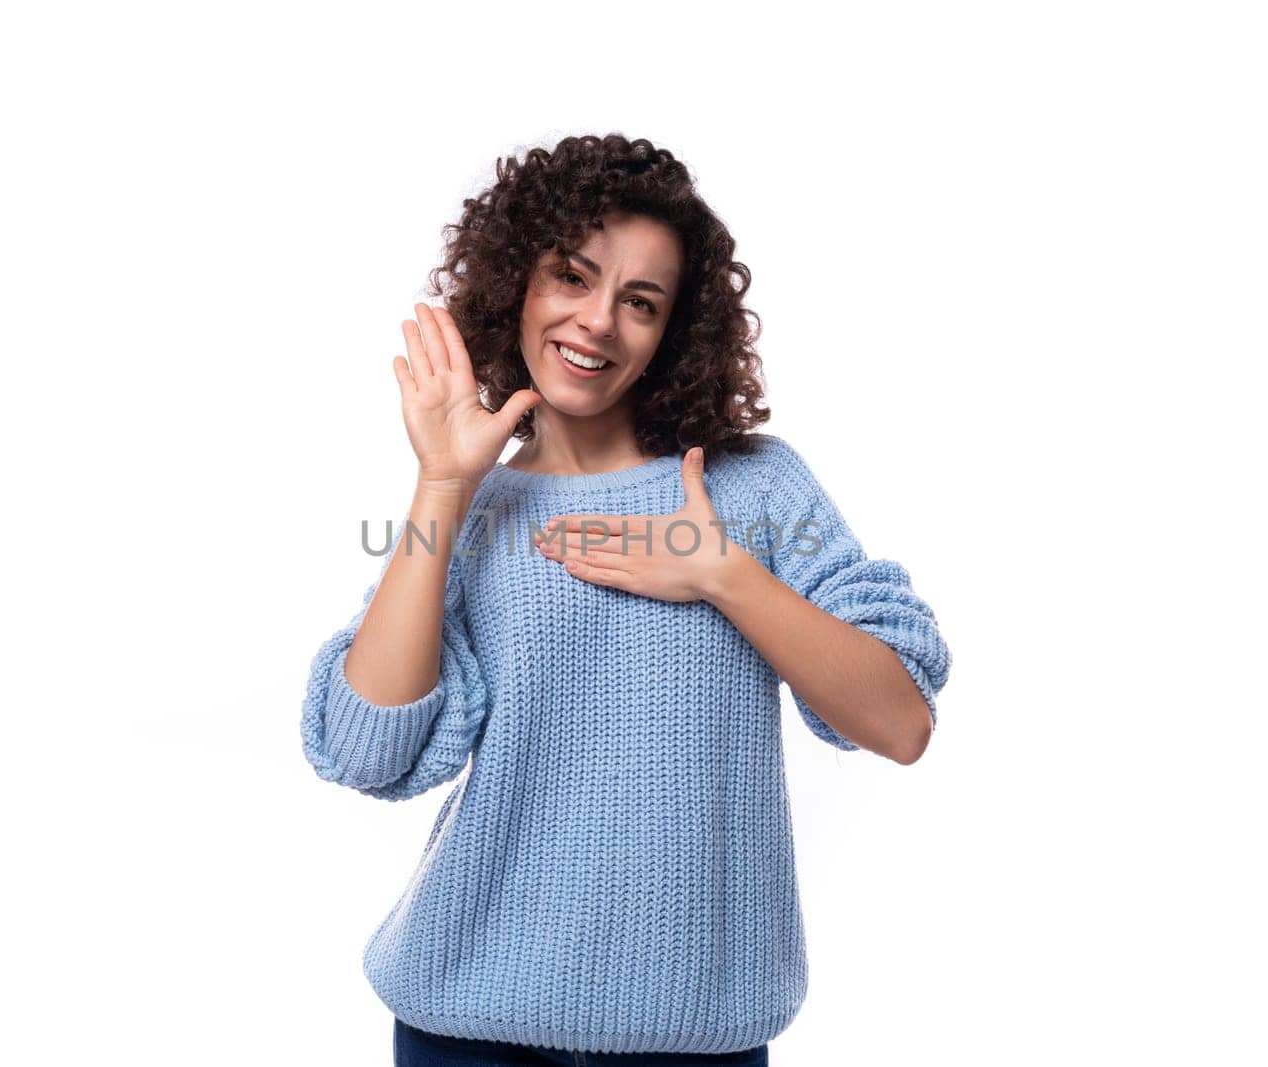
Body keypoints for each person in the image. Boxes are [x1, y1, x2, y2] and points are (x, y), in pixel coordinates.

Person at [301, 133, 952, 1066]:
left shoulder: (757, 491)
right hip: (465, 1024)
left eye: (639, 302)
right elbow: (369, 752)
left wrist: (725, 573)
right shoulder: (474, 512)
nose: (598, 322)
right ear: (517, 286)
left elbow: (900, 721)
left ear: (671, 333)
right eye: (572, 277)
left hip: (692, 1035)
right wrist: (443, 484)